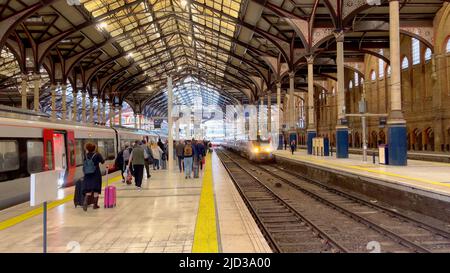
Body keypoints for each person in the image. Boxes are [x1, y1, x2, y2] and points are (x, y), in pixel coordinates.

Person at [82, 142, 105, 211]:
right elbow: (103, 161)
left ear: (87, 149)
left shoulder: (85, 155)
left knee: (88, 190)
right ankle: (95, 205)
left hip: (87, 175)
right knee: (96, 190)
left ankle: (85, 202)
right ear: (94, 148)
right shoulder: (97, 155)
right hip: (96, 174)